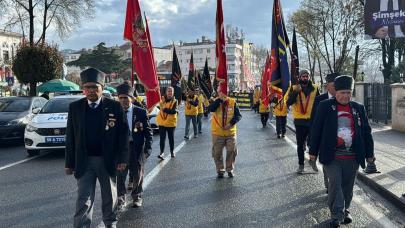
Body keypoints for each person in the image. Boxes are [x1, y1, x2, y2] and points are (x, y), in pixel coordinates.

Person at [65, 67, 129, 228]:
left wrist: (122, 159)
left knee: (110, 196)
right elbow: (70, 137)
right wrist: (69, 162)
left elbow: (123, 135)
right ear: (83, 89)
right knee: (83, 199)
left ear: (102, 88)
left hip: (107, 160)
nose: (91, 90)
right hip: (84, 161)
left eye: (95, 87)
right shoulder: (75, 108)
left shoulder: (114, 106)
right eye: (88, 87)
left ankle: (110, 223)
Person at [309, 75, 375, 227]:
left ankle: (345, 211)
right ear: (335, 92)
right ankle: (336, 214)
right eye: (342, 93)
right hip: (332, 156)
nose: (346, 96)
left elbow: (366, 132)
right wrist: (312, 151)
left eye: (348, 92)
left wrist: (370, 155)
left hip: (352, 157)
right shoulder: (325, 106)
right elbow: (316, 130)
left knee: (348, 187)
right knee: (335, 185)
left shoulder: (358, 108)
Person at [115, 83, 152, 209]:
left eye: (126, 97)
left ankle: (137, 197)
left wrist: (148, 148)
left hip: (136, 148)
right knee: (120, 176)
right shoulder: (114, 112)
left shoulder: (140, 112)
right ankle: (121, 199)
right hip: (120, 150)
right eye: (121, 98)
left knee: (137, 175)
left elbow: (148, 131)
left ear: (131, 98)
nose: (123, 100)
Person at [309, 72, 339, 193]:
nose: (337, 88)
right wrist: (311, 141)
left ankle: (334, 185)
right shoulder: (319, 100)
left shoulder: (343, 99)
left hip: (339, 140)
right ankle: (329, 184)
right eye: (334, 85)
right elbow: (313, 122)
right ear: (327, 86)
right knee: (327, 162)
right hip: (323, 139)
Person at [287, 69, 320, 174]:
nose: (305, 78)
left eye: (307, 76)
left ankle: (312, 160)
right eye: (303, 76)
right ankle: (301, 164)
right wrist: (295, 92)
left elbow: (320, 102)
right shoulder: (294, 88)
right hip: (299, 121)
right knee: (301, 145)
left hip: (312, 120)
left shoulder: (315, 88)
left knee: (314, 143)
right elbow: (288, 102)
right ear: (300, 78)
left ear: (309, 77)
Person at [208, 91, 242, 178]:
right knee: (217, 153)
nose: (222, 93)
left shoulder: (232, 102)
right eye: (220, 92)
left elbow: (238, 116)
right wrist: (219, 101)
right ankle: (220, 170)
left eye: (224, 91)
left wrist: (230, 124)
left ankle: (229, 169)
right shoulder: (215, 101)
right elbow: (210, 109)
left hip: (230, 132)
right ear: (218, 93)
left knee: (231, 151)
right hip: (217, 133)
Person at [156, 86, 178, 159]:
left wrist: (165, 109)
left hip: (170, 123)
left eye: (171, 91)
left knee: (171, 138)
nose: (170, 93)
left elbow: (173, 111)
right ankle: (161, 153)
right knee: (162, 138)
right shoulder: (162, 99)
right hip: (162, 122)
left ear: (173, 92)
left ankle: (172, 152)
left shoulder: (175, 101)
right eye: (168, 91)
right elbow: (158, 106)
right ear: (166, 92)